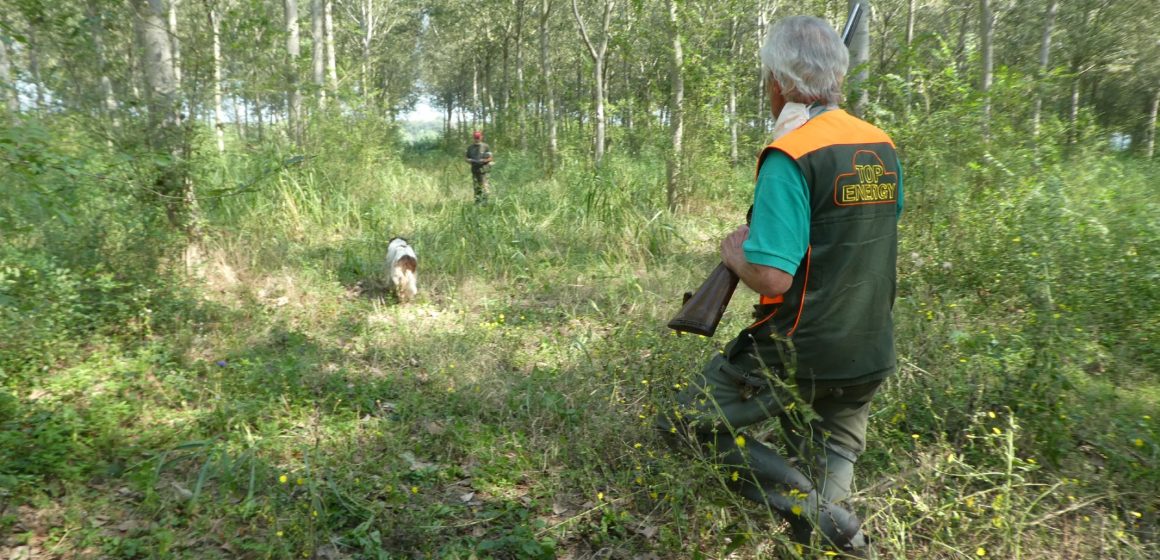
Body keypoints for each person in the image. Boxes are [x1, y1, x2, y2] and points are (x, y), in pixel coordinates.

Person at [656, 14, 903, 557]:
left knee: (683, 420)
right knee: (830, 458)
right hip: (868, 347)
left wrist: (732, 253)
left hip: (794, 349)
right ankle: (839, 535)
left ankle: (820, 518)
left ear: (777, 81)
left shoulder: (790, 154)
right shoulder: (881, 146)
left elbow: (771, 276)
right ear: (837, 79)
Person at [465, 130, 494, 204]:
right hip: (474, 170)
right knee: (476, 187)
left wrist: (484, 161)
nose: (477, 139)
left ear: (481, 137)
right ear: (473, 138)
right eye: (475, 138)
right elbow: (466, 158)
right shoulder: (470, 147)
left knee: (485, 187)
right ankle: (477, 203)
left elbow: (490, 158)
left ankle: (485, 203)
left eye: (478, 137)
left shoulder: (485, 146)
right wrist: (470, 160)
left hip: (484, 170)